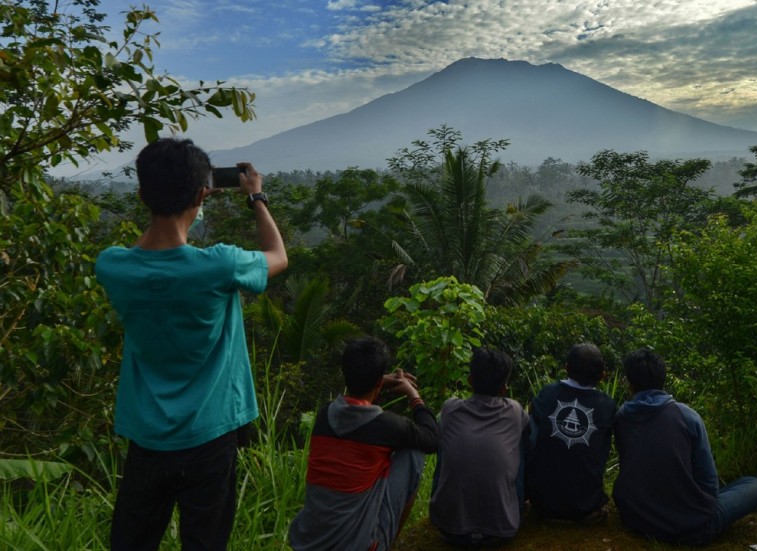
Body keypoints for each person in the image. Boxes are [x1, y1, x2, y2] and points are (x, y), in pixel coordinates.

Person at [95, 138, 288, 550]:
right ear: (204, 193)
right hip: (210, 435)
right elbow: (277, 255)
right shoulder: (219, 265)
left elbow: (151, 257)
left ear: (142, 193)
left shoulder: (112, 266)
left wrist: (192, 199)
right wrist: (256, 196)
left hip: (147, 437)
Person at [288, 336, 439, 551]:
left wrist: (380, 380)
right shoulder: (388, 426)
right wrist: (412, 394)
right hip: (359, 546)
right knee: (415, 451)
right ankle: (389, 544)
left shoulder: (325, 415)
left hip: (308, 542)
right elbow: (432, 440)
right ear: (378, 382)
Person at [613, 348, 757, 546]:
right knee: (753, 485)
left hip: (636, 518)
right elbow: (709, 483)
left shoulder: (621, 417)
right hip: (690, 529)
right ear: (663, 380)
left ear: (630, 385)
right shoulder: (687, 416)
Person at [428, 348, 530, 546]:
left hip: (449, 529)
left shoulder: (450, 408)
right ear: (504, 389)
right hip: (501, 530)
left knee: (446, 443)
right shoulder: (515, 411)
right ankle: (518, 503)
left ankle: (448, 506)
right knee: (519, 446)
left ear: (470, 381)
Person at [525, 343, 616, 522]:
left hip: (543, 504)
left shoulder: (548, 394)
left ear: (566, 368)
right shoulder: (607, 405)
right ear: (602, 375)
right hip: (586, 505)